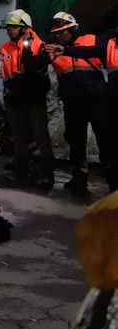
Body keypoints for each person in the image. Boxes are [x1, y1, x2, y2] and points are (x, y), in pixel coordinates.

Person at [45, 12, 115, 194]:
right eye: (57, 33)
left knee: (106, 140)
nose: (59, 36)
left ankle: (113, 180)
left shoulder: (90, 40)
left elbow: (99, 51)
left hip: (97, 101)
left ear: (72, 29)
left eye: (63, 32)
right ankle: (79, 177)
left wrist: (67, 50)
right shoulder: (55, 50)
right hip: (73, 104)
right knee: (76, 141)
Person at [0, 9, 54, 189]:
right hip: (15, 99)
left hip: (33, 98)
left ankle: (47, 174)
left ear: (25, 28)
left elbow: (39, 68)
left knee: (41, 137)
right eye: (9, 27)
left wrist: (26, 52)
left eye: (14, 27)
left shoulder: (38, 45)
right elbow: (2, 72)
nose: (10, 30)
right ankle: (21, 172)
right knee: (19, 138)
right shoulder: (5, 48)